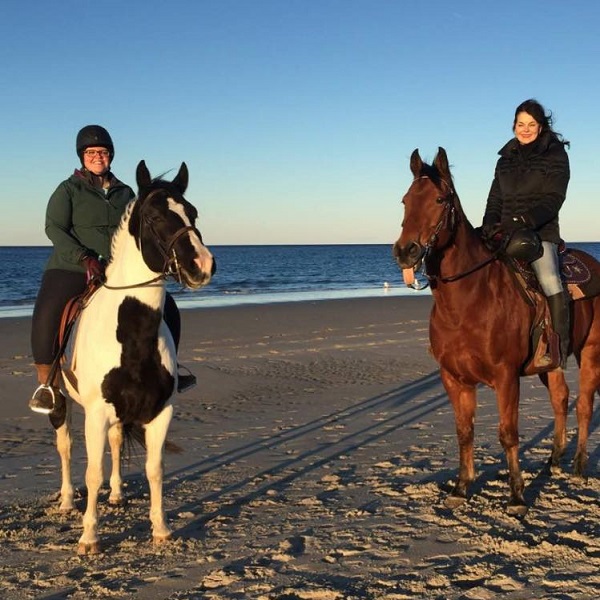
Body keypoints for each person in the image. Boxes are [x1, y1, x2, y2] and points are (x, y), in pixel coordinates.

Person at [30, 125, 196, 415]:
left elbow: (137, 231)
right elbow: (54, 228)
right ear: (82, 156)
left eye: (103, 152)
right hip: (71, 267)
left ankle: (172, 369)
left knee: (167, 307)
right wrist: (84, 258)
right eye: (91, 152)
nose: (97, 157)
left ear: (110, 156)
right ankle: (48, 384)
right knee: (48, 313)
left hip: (114, 269)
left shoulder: (125, 192)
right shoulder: (68, 189)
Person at [481, 99, 571, 368]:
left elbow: (555, 197)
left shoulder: (555, 155)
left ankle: (558, 347)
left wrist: (525, 220)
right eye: (521, 124)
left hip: (540, 231)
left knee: (549, 278)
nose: (526, 129)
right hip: (504, 231)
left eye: (532, 124)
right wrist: (488, 224)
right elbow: (495, 198)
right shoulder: (504, 159)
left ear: (541, 126)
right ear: (514, 126)